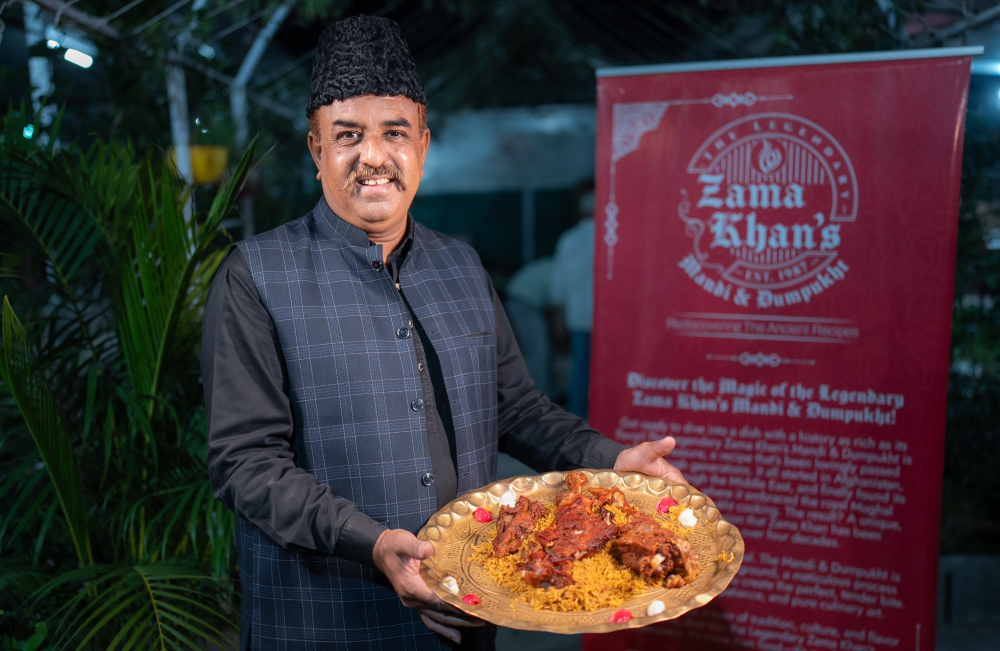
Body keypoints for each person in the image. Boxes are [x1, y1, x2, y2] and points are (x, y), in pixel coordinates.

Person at [201, 16, 684, 651]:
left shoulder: (460, 264)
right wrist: (370, 543)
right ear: (316, 151)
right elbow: (245, 462)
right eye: (347, 135)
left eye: (394, 133)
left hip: (465, 617)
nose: (373, 156)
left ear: (423, 147)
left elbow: (515, 407)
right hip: (324, 620)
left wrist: (615, 461)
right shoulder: (257, 277)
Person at [550, 189, 595, 418]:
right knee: (606, 370)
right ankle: (605, 415)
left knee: (579, 370)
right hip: (608, 318)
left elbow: (559, 283)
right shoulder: (612, 237)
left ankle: (577, 417)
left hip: (577, 316)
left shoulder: (569, 239)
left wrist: (558, 315)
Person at [503, 256, 554, 397]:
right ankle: (538, 395)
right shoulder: (561, 268)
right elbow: (557, 300)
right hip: (522, 301)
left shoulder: (554, 264)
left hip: (523, 299)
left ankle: (543, 391)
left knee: (537, 348)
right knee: (538, 349)